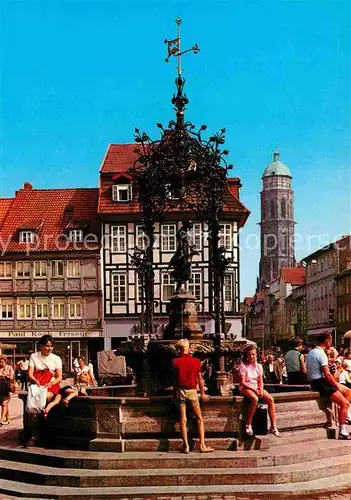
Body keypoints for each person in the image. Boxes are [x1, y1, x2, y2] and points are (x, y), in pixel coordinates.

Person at [306, 331, 351, 439]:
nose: (331, 343)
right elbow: (327, 374)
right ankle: (342, 431)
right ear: (327, 340)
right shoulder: (321, 354)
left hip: (314, 381)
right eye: (330, 340)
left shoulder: (311, 352)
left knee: (348, 392)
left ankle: (344, 414)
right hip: (320, 382)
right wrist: (335, 385)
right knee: (344, 403)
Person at [19, 335, 63, 446]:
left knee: (43, 400)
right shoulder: (34, 356)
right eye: (47, 346)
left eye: (51, 346)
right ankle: (35, 434)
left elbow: (59, 377)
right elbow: (30, 373)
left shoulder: (56, 358)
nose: (49, 349)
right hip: (37, 384)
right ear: (41, 346)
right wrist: (35, 380)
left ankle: (37, 434)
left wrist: (51, 383)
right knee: (34, 409)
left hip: (50, 384)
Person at [172, 338, 214, 453]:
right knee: (199, 419)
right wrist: (203, 393)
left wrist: (173, 394)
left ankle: (186, 446)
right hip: (192, 391)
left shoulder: (175, 361)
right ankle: (202, 445)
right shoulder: (195, 361)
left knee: (183, 420)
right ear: (187, 348)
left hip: (180, 391)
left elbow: (175, 380)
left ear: (179, 349)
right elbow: (200, 379)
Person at [239, 345, 280, 437]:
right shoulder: (243, 366)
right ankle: (248, 424)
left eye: (253, 354)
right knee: (255, 399)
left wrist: (260, 390)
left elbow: (260, 380)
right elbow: (242, 382)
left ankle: (274, 426)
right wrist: (254, 390)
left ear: (256, 355)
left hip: (256, 386)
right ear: (246, 356)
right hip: (246, 387)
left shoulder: (259, 366)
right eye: (249, 355)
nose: (251, 357)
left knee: (270, 400)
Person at [0, 355, 15, 425]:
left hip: (6, 387)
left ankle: (1, 419)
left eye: (2, 362)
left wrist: (5, 376)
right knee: (4, 404)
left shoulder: (9, 368)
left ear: (5, 362)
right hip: (0, 387)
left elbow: (11, 378)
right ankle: (8, 418)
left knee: (4, 404)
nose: (0, 363)